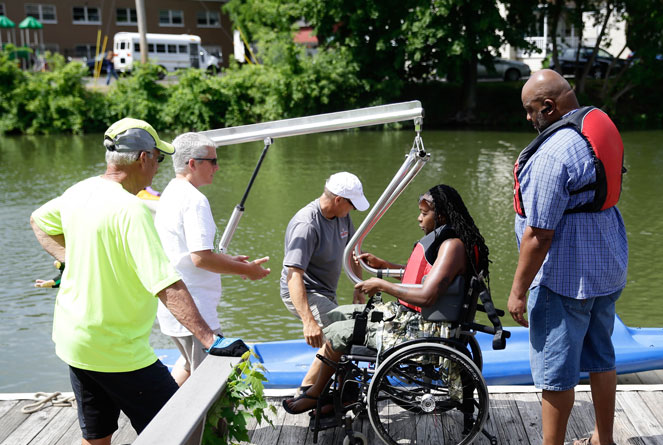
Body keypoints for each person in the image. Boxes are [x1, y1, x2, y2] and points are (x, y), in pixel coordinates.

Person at [30, 118, 248, 445]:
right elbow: (167, 285)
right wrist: (211, 339)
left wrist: (72, 259)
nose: (157, 170)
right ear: (144, 158)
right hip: (117, 349)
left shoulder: (79, 192)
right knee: (179, 435)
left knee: (97, 436)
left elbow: (39, 221)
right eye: (158, 160)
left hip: (74, 341)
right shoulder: (131, 210)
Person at [504, 70, 628, 445]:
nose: (528, 119)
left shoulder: (554, 152)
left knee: (556, 367)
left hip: (565, 275)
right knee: (600, 355)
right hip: (605, 263)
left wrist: (518, 290)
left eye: (530, 110)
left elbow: (539, 234)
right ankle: (604, 442)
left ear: (549, 107)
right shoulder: (596, 124)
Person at [282, 184, 490, 415]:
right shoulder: (450, 242)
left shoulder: (452, 246)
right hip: (417, 318)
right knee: (336, 316)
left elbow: (427, 295)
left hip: (423, 327)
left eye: (424, 213)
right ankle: (344, 393)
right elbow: (431, 277)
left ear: (440, 215)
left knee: (338, 333)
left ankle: (315, 394)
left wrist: (382, 284)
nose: (419, 218)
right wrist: (386, 266)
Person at [155, 132, 270, 386]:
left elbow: (187, 252)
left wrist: (231, 262)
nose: (217, 167)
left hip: (174, 309)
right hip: (197, 312)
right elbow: (200, 259)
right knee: (210, 381)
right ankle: (194, 427)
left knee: (187, 366)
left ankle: (165, 418)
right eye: (212, 161)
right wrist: (247, 270)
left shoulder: (171, 192)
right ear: (192, 164)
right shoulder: (195, 200)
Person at [280, 172, 368, 391]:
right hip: (303, 290)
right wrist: (308, 321)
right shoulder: (307, 225)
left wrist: (359, 287)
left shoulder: (342, 216)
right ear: (338, 200)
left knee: (346, 331)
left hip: (326, 291)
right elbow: (294, 276)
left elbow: (353, 251)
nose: (354, 210)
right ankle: (307, 391)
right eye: (352, 205)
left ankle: (333, 388)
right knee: (342, 332)